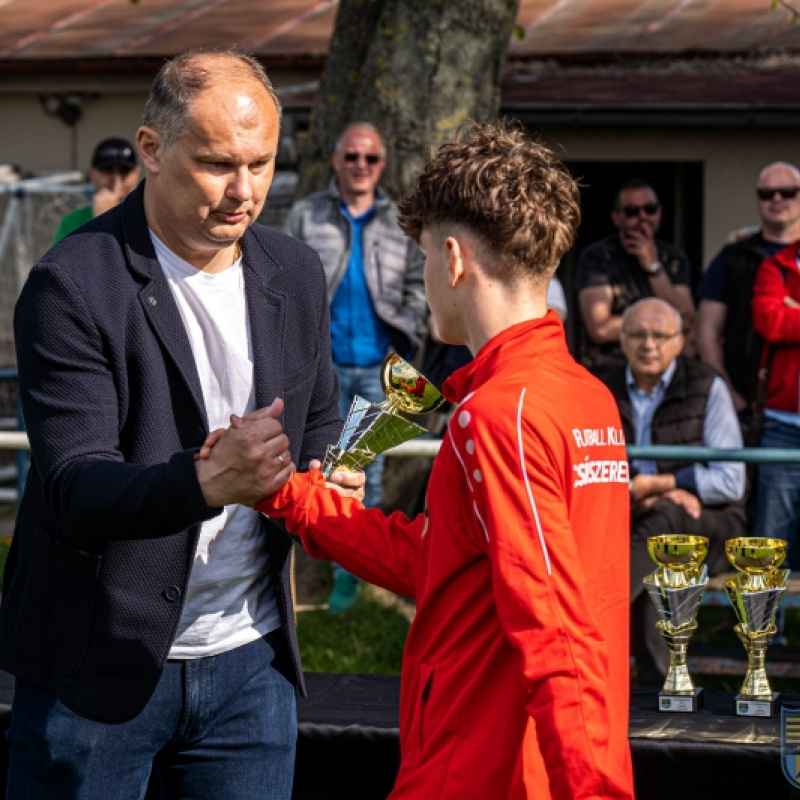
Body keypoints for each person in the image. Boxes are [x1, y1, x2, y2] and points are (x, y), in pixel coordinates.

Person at [1, 47, 360, 800]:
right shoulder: (70, 283)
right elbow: (73, 485)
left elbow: (319, 412)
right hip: (98, 665)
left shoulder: (292, 270)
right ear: (151, 150)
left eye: (261, 164)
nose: (243, 191)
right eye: (217, 164)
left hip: (251, 663)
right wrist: (202, 483)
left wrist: (332, 468)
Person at [247, 122, 634, 798]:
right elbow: (437, 561)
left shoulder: (500, 416)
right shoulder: (585, 396)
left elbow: (557, 639)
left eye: (423, 255)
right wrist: (290, 495)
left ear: (452, 258)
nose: (425, 277)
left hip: (484, 771)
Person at [283, 122, 426, 613]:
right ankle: (340, 576)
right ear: (337, 161)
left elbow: (417, 284)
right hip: (324, 367)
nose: (360, 166)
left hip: (382, 367)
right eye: (351, 157)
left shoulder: (398, 219)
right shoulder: (307, 215)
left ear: (381, 166)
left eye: (370, 158)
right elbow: (284, 283)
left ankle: (361, 578)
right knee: (324, 468)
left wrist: (411, 331)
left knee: (373, 475)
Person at [601, 298, 746, 687]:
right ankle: (660, 691)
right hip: (635, 520)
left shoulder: (706, 386)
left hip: (711, 524)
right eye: (637, 335)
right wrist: (638, 495)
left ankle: (595, 618)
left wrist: (661, 485)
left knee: (664, 525)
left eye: (660, 336)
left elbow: (732, 480)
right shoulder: (600, 390)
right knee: (659, 558)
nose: (649, 344)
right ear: (622, 341)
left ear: (680, 341)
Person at [696, 162, 800, 421]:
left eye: (787, 192)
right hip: (751, 403)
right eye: (767, 193)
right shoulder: (734, 257)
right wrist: (729, 395)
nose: (776, 199)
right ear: (757, 199)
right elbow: (707, 332)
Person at [575, 178, 694, 375]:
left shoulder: (673, 257)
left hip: (663, 368)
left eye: (650, 209)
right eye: (632, 211)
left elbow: (686, 318)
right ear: (616, 217)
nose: (642, 217)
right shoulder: (596, 257)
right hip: (610, 368)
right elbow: (600, 329)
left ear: (660, 211)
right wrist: (660, 326)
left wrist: (652, 265)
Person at [751, 237, 800, 567]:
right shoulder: (776, 266)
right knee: (769, 547)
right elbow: (770, 322)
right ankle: (764, 621)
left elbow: (786, 322)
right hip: (784, 424)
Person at [52, 136, 142, 243]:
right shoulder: (73, 220)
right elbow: (60, 258)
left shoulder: (147, 217)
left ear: (136, 173)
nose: (116, 179)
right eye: (108, 170)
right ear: (92, 174)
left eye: (124, 171)